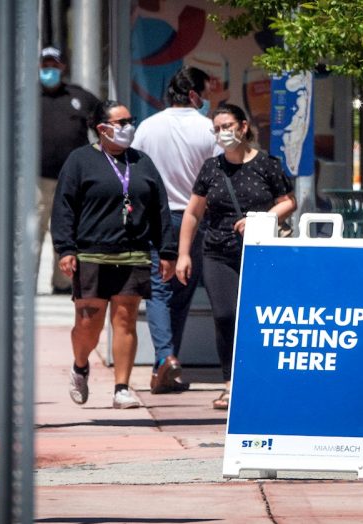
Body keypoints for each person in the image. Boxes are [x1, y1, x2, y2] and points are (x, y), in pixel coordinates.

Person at [51, 100, 177, 409]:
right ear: (102, 128)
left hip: (133, 253)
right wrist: (65, 248)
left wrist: (167, 251)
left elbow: (160, 208)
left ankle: (122, 387)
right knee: (88, 323)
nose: (128, 127)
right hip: (92, 253)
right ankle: (81, 366)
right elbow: (64, 207)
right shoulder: (80, 161)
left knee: (125, 320)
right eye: (120, 123)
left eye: (129, 121)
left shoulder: (142, 162)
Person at [176, 103, 297, 409]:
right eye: (217, 128)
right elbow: (192, 213)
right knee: (226, 316)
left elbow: (288, 202)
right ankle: (229, 383)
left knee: (260, 319)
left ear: (243, 127)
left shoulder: (268, 164)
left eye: (228, 126)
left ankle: (261, 379)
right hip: (218, 252)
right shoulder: (211, 168)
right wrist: (183, 255)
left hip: (262, 253)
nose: (223, 133)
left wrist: (264, 218)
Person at [132, 66, 222, 394]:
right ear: (195, 95)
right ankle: (168, 360)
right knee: (182, 290)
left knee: (159, 288)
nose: (208, 101)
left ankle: (165, 359)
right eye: (205, 94)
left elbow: (135, 172)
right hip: (195, 218)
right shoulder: (209, 130)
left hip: (155, 217)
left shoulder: (147, 127)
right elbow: (216, 178)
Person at [39, 46, 100, 294]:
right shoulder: (26, 97)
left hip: (73, 180)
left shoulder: (80, 97)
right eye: (46, 65)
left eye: (54, 65)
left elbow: (102, 126)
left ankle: (63, 283)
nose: (50, 70)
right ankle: (23, 285)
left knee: (67, 231)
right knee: (32, 233)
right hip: (37, 179)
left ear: (63, 67)